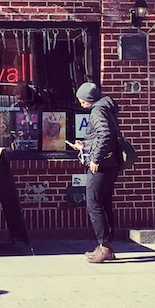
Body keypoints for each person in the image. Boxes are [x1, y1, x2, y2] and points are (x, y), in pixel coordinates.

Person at [67, 81, 121, 264]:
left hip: (102, 165)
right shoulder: (106, 108)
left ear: (88, 99)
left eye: (82, 101)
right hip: (111, 164)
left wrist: (95, 159)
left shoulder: (98, 111)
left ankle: (104, 247)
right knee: (104, 203)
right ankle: (106, 246)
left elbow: (105, 135)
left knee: (93, 203)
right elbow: (102, 136)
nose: (81, 104)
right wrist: (85, 146)